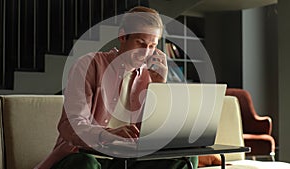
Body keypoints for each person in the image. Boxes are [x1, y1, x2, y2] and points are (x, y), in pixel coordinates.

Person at [36, 6, 218, 169]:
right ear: (123, 36)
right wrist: (108, 135)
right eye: (140, 43)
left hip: (127, 160)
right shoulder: (89, 65)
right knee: (86, 164)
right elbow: (70, 125)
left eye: (152, 46)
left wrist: (159, 89)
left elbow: (152, 136)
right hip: (84, 156)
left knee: (186, 159)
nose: (146, 52)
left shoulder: (151, 76)